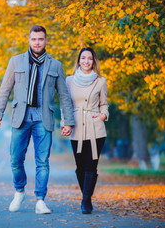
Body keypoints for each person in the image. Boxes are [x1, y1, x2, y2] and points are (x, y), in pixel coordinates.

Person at [0, 25, 75, 214]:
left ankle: (40, 200)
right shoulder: (15, 62)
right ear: (29, 40)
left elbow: (63, 96)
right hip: (20, 117)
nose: (37, 42)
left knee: (43, 161)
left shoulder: (55, 65)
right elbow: (4, 90)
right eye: (34, 39)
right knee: (15, 159)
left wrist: (68, 121)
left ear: (46, 41)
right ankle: (19, 191)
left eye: (40, 39)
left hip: (43, 117)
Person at [63, 47, 109, 214]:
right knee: (80, 167)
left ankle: (85, 201)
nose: (86, 61)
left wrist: (103, 115)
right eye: (83, 58)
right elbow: (66, 105)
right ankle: (87, 197)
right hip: (76, 128)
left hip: (95, 128)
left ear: (94, 61)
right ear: (79, 61)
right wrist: (65, 123)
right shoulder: (69, 80)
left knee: (91, 166)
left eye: (90, 58)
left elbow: (104, 104)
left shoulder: (100, 81)